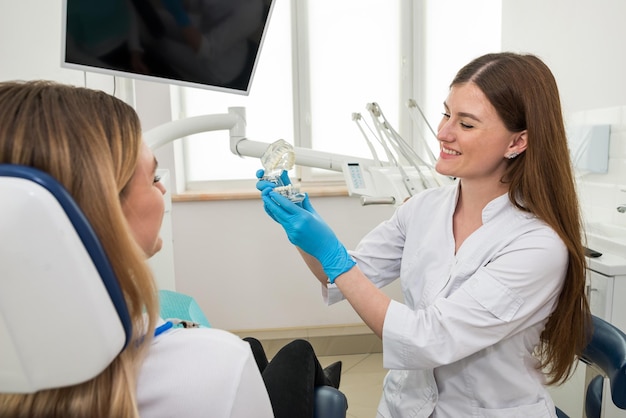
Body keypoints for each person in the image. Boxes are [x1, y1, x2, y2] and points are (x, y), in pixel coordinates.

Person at [256, 52, 592, 417]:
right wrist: (302, 230)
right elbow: (337, 277)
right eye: (446, 113)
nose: (443, 132)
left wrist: (334, 254)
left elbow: (426, 339)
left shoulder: (537, 246)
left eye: (466, 124)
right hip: (405, 406)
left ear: (517, 142)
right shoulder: (425, 208)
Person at [0, 80, 339, 418]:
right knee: (296, 351)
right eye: (152, 178)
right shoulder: (218, 364)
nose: (162, 188)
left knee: (250, 346)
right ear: (106, 210)